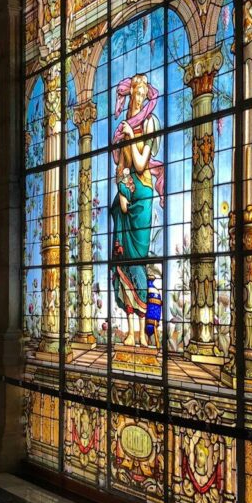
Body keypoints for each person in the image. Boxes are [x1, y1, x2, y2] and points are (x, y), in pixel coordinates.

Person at [111, 74, 163, 348]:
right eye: (135, 92)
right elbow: (123, 167)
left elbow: (141, 164)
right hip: (127, 196)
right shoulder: (123, 126)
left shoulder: (149, 123)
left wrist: (131, 137)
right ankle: (131, 331)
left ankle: (144, 331)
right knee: (123, 266)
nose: (138, 96)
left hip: (143, 197)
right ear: (131, 93)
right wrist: (120, 188)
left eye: (143, 92)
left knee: (138, 263)